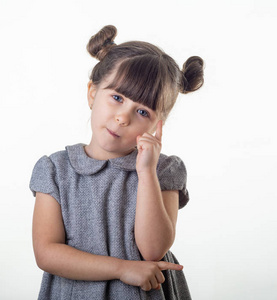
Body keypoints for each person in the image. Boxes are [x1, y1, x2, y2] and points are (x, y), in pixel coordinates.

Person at [29, 25, 204, 299]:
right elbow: (47, 252)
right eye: (117, 97)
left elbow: (152, 250)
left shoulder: (163, 170)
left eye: (142, 111)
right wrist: (123, 269)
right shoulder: (55, 170)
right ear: (92, 93)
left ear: (158, 125)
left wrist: (146, 172)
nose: (123, 117)